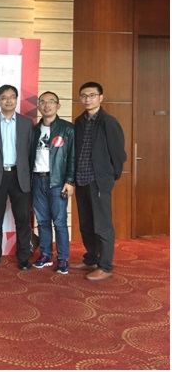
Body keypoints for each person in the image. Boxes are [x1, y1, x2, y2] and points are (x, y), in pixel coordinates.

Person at [73, 82, 126, 282]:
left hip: (98, 181)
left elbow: (118, 154)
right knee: (86, 224)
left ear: (100, 98)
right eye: (84, 95)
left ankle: (105, 266)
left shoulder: (108, 122)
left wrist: (110, 176)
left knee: (102, 226)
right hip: (81, 179)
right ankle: (91, 259)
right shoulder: (79, 121)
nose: (88, 99)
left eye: (92, 95)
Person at [0, 85, 34, 271]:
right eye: (4, 97)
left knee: (22, 219)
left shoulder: (26, 123)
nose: (8, 101)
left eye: (12, 97)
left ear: (16, 99)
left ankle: (24, 258)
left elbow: (30, 152)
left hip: (20, 176)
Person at [30, 91, 75, 275]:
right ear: (39, 106)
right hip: (37, 179)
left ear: (58, 105)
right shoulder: (34, 130)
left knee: (60, 222)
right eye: (43, 102)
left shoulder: (67, 129)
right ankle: (46, 255)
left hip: (57, 181)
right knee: (42, 221)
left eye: (51, 101)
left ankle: (63, 258)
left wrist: (70, 181)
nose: (47, 105)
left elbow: (72, 157)